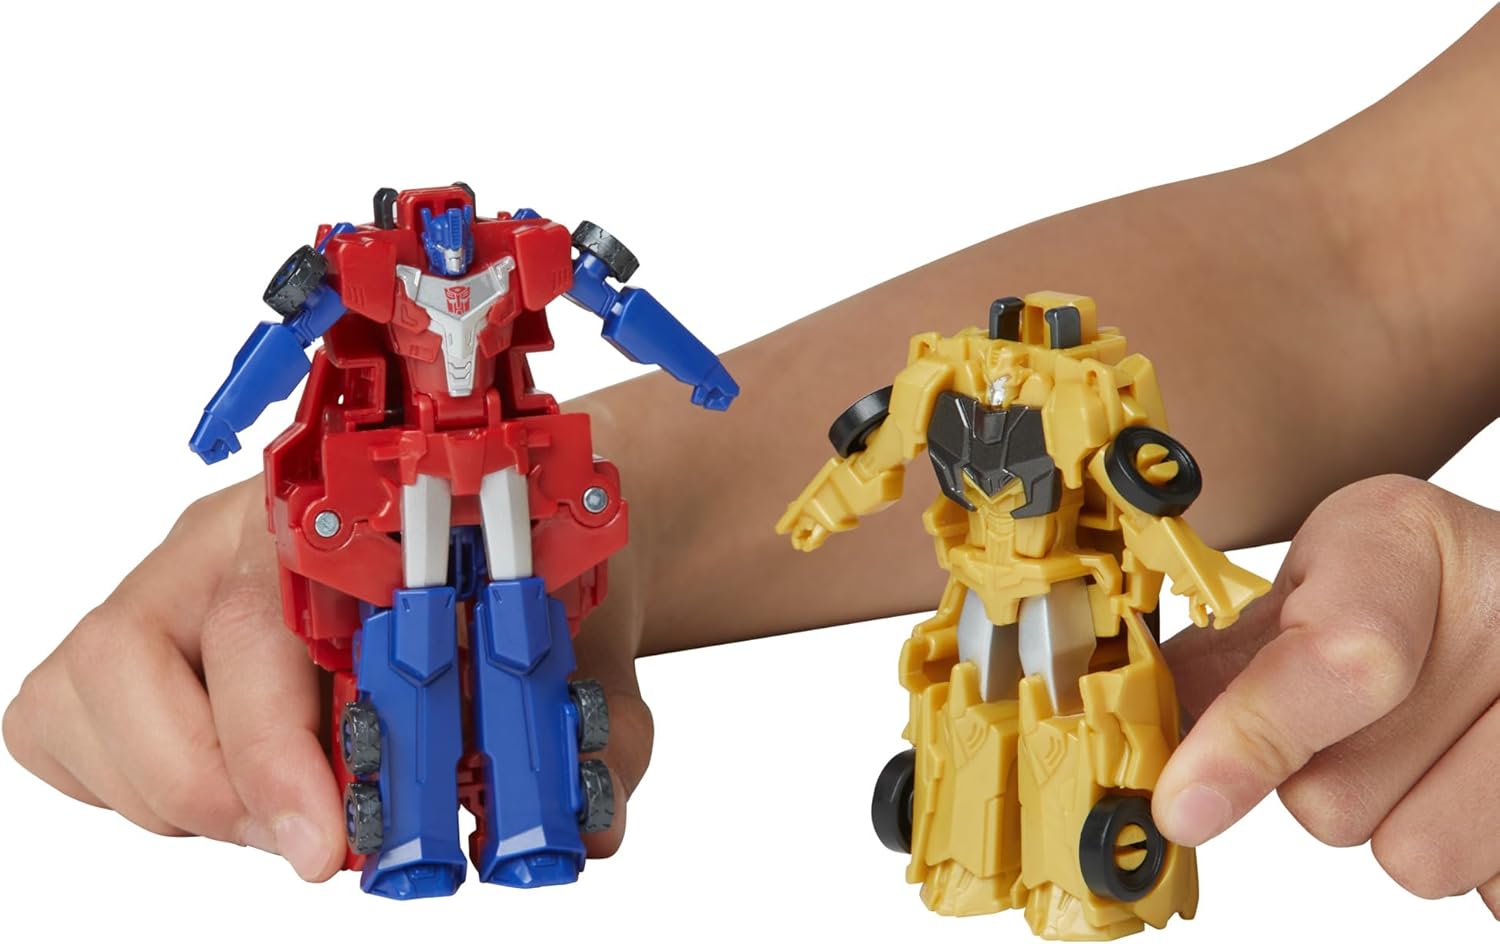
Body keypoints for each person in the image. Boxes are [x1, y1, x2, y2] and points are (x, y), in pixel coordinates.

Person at [6, 6, 1498, 919]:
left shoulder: (521, 256)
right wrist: (657, 503)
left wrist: (1188, 563)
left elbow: (1150, 469)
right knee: (957, 714)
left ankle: (537, 812)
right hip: (484, 495)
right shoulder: (370, 272)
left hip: (577, 512)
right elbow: (1363, 268)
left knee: (1070, 717)